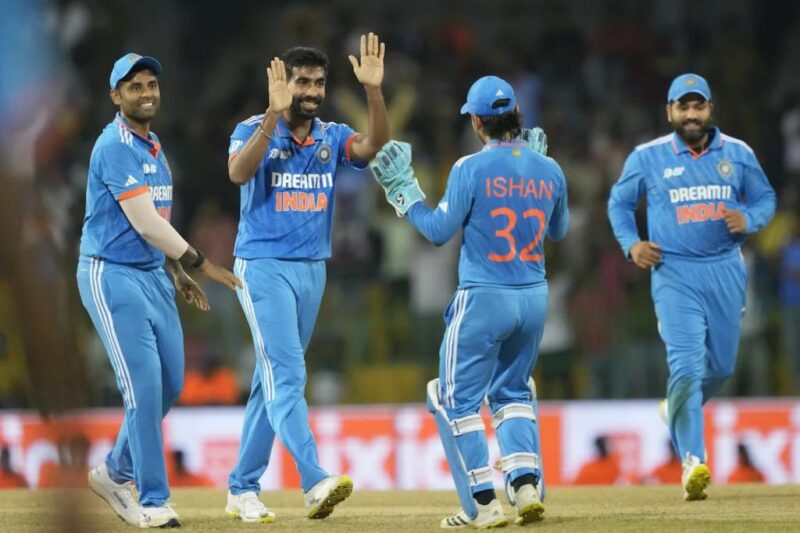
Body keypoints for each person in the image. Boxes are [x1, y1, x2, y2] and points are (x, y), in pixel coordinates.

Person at [369, 75, 568, 528]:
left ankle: (483, 505)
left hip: (483, 297)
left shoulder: (468, 168)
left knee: (452, 399)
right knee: (512, 392)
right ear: (517, 116)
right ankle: (525, 486)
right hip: (534, 298)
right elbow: (558, 231)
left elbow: (438, 232)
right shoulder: (550, 169)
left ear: (477, 122)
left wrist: (404, 191)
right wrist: (538, 172)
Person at [224, 33, 389, 523]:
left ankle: (241, 487)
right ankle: (314, 479)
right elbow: (237, 173)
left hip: (312, 270)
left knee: (270, 381)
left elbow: (374, 145)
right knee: (289, 374)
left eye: (319, 83)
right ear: (284, 84)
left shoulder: (332, 136)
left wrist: (373, 91)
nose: (312, 91)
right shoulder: (253, 128)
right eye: (303, 82)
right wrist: (271, 117)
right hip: (262, 267)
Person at [77, 53, 241, 528]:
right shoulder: (113, 145)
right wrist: (200, 263)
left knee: (171, 382)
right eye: (135, 87)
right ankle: (152, 501)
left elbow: (157, 222)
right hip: (112, 274)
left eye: (151, 84)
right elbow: (146, 222)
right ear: (115, 96)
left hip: (153, 273)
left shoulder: (153, 147)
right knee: (144, 388)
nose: (146, 93)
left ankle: (113, 472)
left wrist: (174, 269)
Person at [607, 73, 776, 501]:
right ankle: (693, 462)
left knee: (721, 368)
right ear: (670, 112)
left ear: (710, 109)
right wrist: (632, 244)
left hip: (725, 270)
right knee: (685, 368)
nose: (691, 114)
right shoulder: (647, 156)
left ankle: (676, 407)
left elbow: (765, 199)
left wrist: (750, 219)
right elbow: (619, 204)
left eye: (698, 106)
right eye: (683, 106)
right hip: (674, 272)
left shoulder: (738, 153)